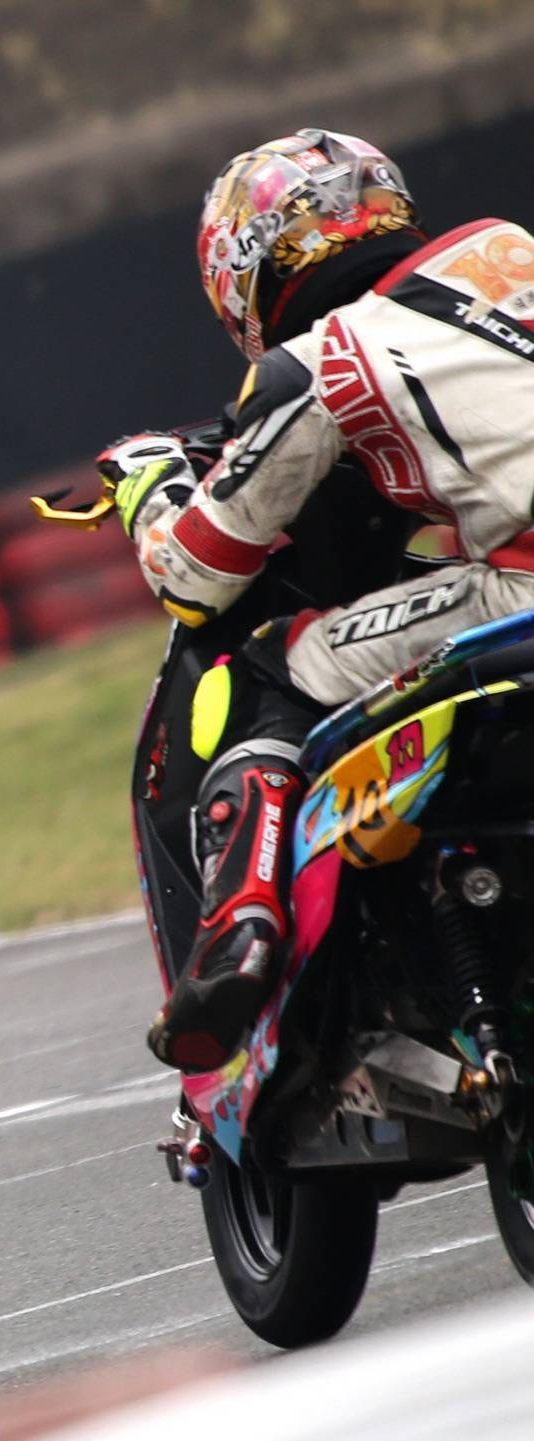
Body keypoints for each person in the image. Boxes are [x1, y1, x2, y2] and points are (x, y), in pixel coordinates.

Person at [110, 130, 534, 1073]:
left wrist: (148, 486)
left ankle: (241, 926)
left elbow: (196, 574)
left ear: (246, 272)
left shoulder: (317, 360)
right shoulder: (507, 249)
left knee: (275, 657)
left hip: (524, 587)